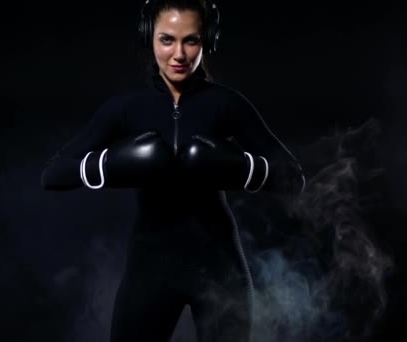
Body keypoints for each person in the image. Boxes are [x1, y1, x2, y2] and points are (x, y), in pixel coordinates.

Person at [40, 0, 305, 341]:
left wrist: (242, 168)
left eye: (190, 40)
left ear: (207, 40)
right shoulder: (126, 107)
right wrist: (109, 166)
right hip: (150, 267)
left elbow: (293, 179)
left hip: (219, 265)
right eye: (167, 39)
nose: (179, 54)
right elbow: (53, 174)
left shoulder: (227, 103)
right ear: (149, 38)